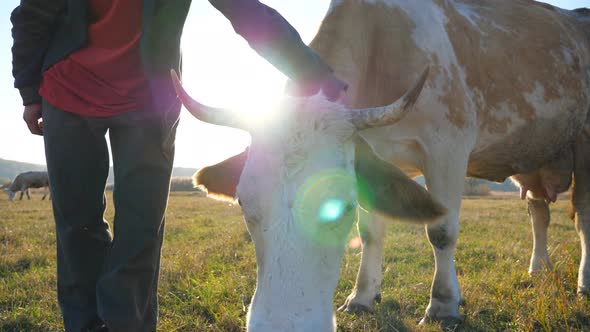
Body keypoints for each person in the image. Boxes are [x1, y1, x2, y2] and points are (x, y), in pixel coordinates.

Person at [10, 1, 347, 331]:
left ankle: (127, 325)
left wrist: (312, 70)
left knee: (141, 227)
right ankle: (84, 324)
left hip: (149, 103)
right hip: (67, 93)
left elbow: (246, 11)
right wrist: (28, 90)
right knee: (76, 223)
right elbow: (33, 13)